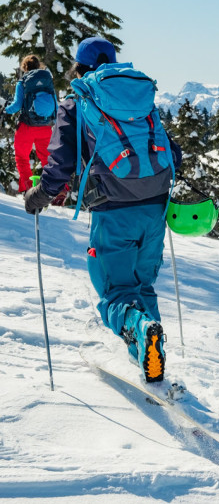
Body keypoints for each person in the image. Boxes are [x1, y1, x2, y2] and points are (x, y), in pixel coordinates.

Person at [23, 37, 181, 383]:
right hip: (155, 205)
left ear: (78, 66)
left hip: (114, 209)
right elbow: (174, 153)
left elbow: (61, 163)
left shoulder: (77, 101)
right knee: (142, 285)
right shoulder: (140, 96)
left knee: (115, 292)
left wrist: (40, 194)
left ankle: (141, 331)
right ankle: (150, 352)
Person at [4, 54, 57, 193]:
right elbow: (55, 104)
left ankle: (29, 190)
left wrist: (5, 109)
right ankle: (57, 190)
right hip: (45, 127)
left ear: (24, 67)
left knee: (22, 158)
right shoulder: (47, 80)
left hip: (26, 127)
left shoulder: (23, 82)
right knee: (47, 159)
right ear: (39, 65)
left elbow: (16, 106)